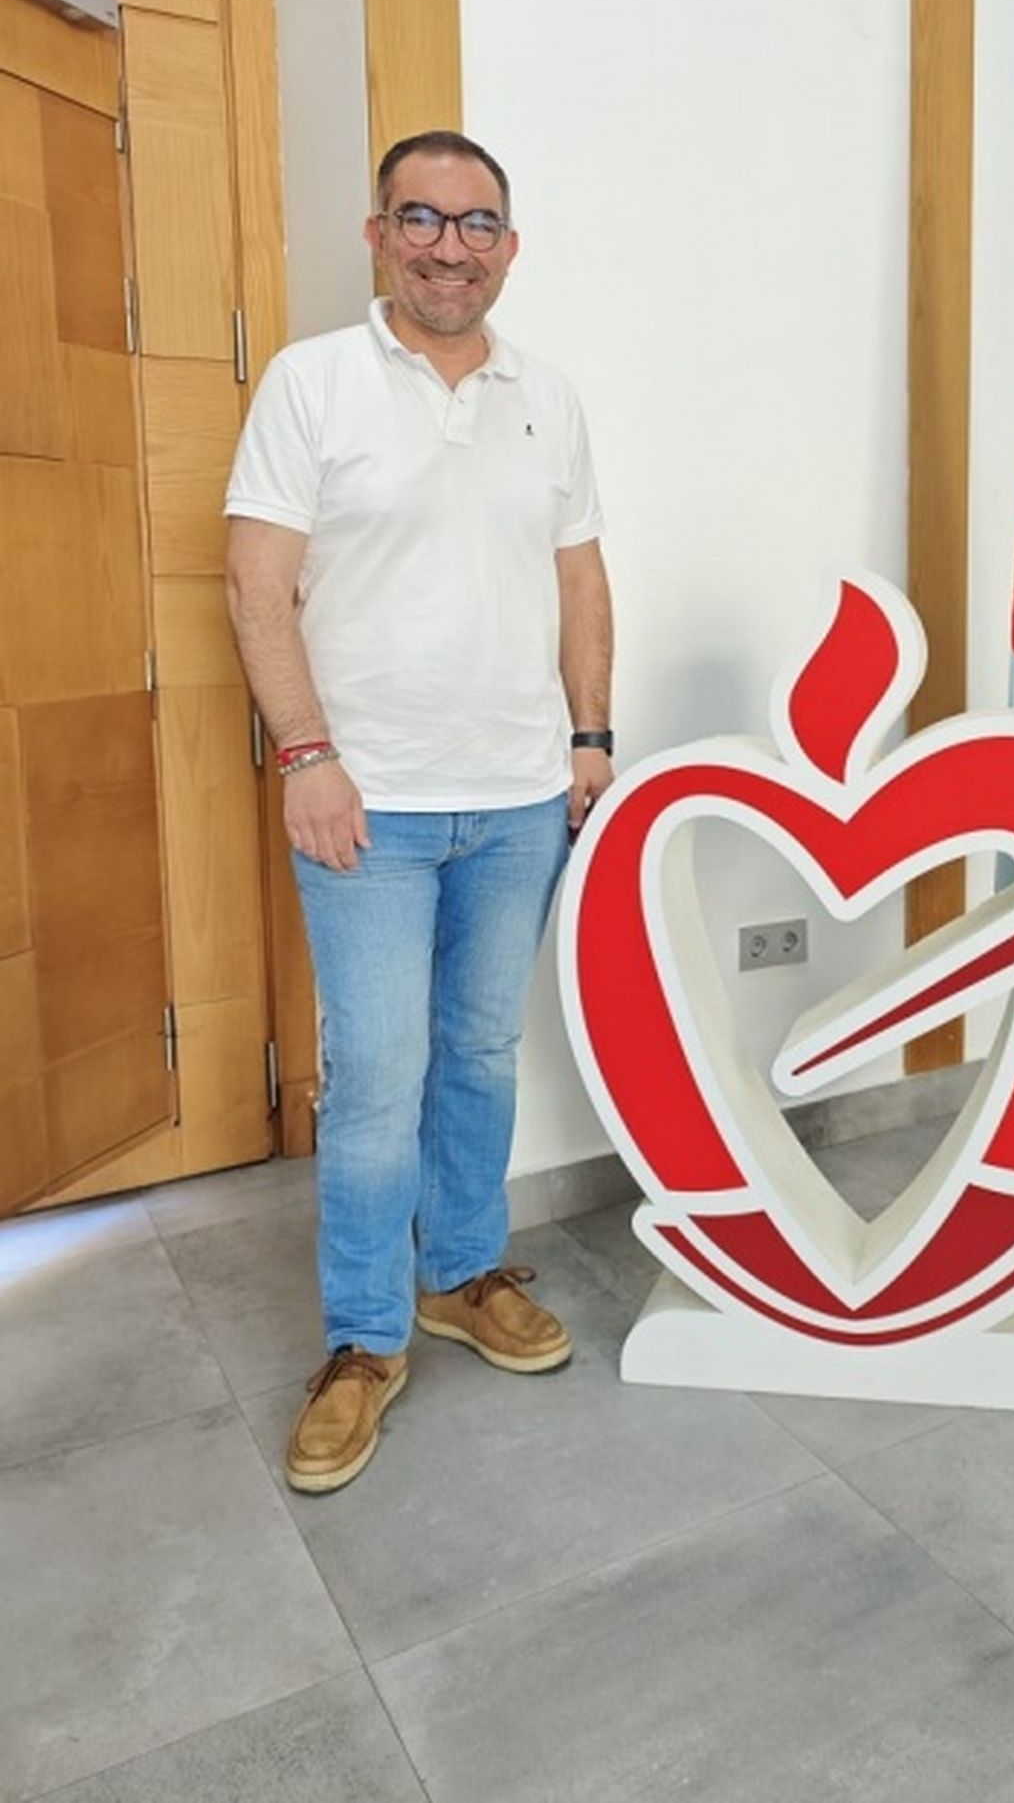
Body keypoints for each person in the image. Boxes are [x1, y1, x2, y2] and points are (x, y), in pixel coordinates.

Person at [224, 130, 613, 1493]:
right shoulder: (312, 382)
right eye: (424, 219)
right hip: (367, 807)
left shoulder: (545, 395)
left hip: (518, 799)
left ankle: (458, 1271)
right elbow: (255, 583)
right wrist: (306, 754)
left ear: (512, 242)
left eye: (479, 222)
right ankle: (363, 1342)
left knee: (483, 1053)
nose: (452, 244)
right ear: (379, 232)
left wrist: (589, 736)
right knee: (375, 1084)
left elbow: (580, 579)